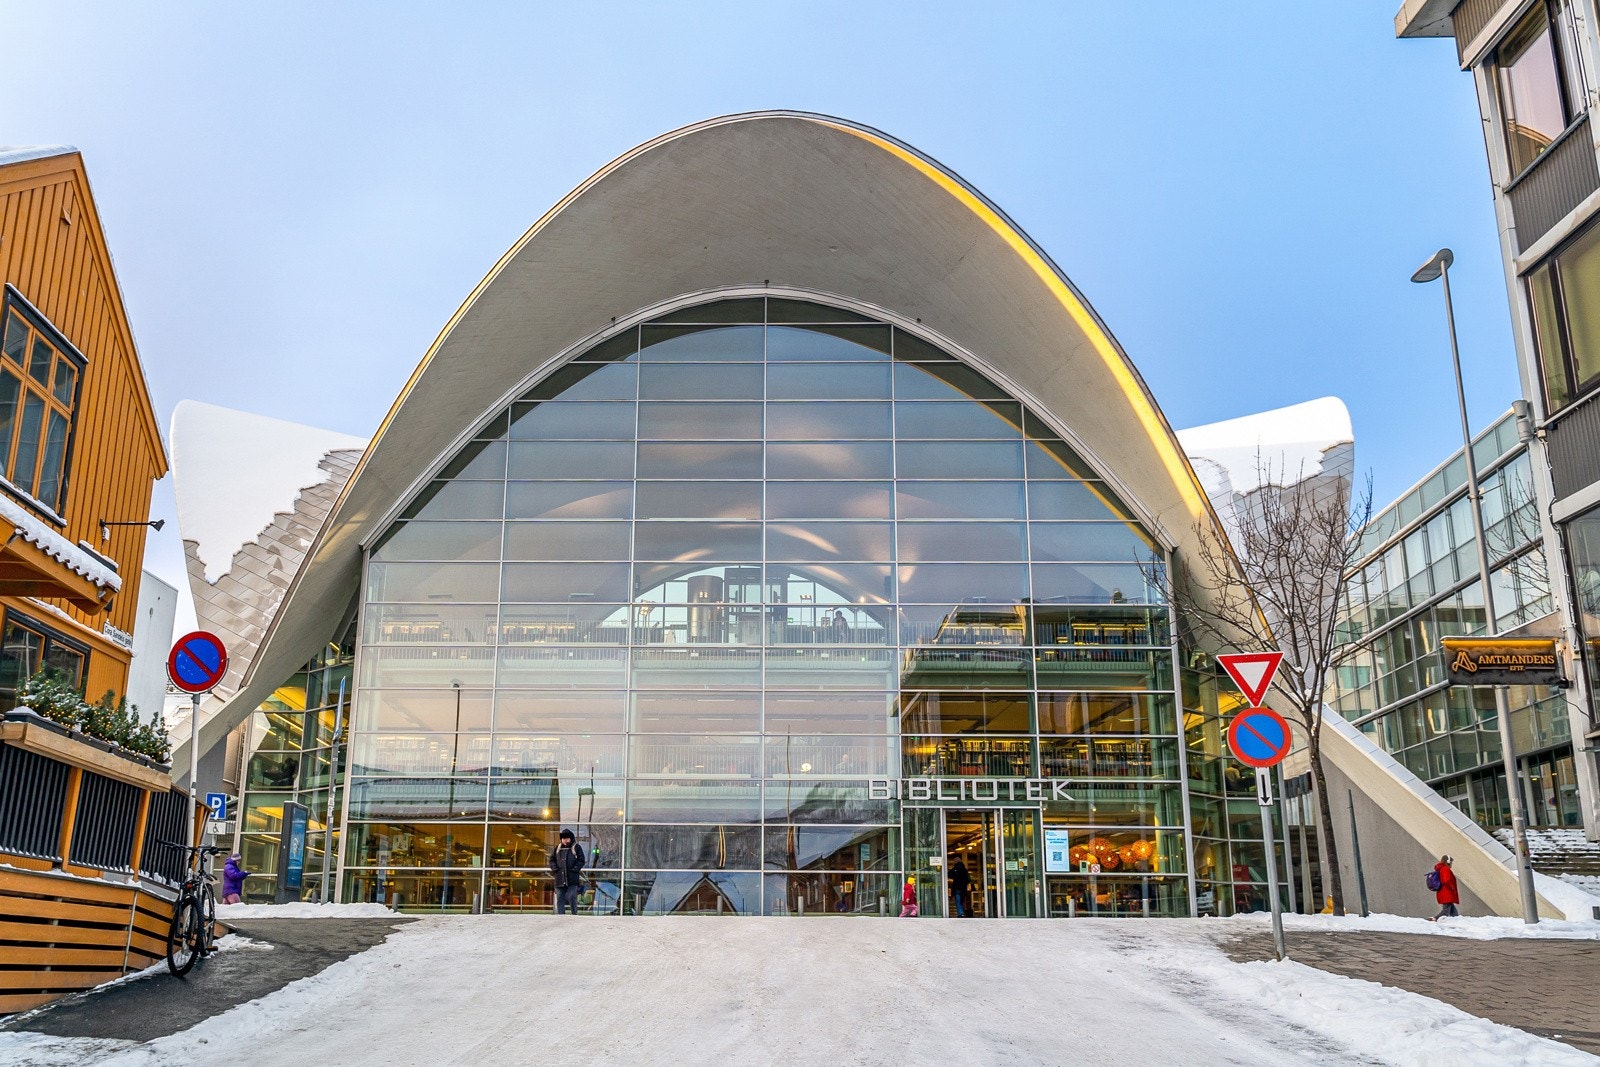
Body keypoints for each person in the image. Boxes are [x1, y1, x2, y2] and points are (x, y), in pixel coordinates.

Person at [550, 829, 586, 915]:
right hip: (559, 878)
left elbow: (581, 860)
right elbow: (552, 860)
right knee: (560, 898)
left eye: (567, 838)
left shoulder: (576, 847)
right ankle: (561, 916)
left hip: (572, 879)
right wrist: (554, 868)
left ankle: (574, 914)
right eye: (563, 838)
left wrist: (575, 869)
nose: (565, 840)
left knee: (571, 896)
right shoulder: (557, 848)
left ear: (571, 838)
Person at [1430, 854, 1460, 920]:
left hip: (1444, 892)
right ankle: (1434, 919)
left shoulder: (1441, 869)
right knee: (1446, 911)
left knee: (1453, 912)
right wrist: (1452, 887)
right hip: (1446, 893)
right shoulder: (1445, 869)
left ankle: (1457, 920)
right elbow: (1446, 881)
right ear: (1448, 862)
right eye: (1451, 862)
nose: (1452, 864)